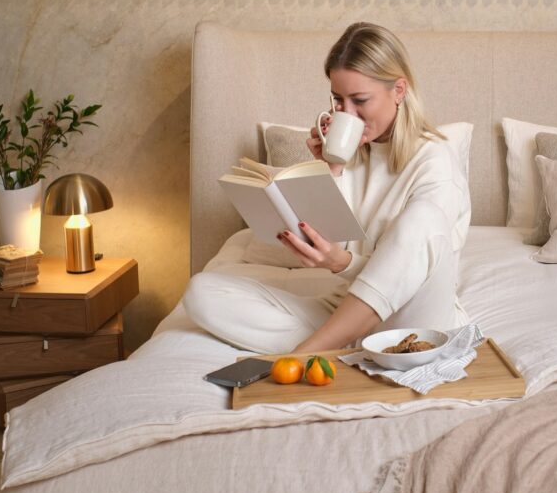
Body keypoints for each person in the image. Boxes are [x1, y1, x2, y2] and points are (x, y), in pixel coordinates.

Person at [183, 23, 471, 354]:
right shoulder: (350, 155)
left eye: (360, 100)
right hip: (346, 311)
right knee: (202, 292)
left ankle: (306, 353)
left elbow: (410, 270)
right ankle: (347, 346)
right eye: (338, 100)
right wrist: (330, 171)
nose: (347, 113)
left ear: (399, 90)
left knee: (424, 218)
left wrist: (343, 263)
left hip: (413, 317)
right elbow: (334, 238)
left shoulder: (435, 160)